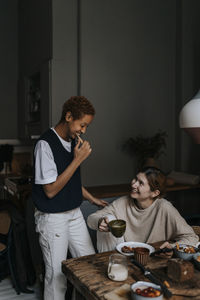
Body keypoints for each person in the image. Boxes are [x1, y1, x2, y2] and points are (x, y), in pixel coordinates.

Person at [32, 96, 108, 300]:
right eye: (82, 125)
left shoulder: (73, 142)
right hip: (52, 217)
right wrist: (78, 159)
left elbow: (69, 180)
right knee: (57, 277)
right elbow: (50, 190)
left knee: (88, 265)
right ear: (68, 116)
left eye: (86, 127)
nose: (83, 131)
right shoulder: (45, 145)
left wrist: (92, 199)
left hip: (73, 213)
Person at [87, 167, 199, 253]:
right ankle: (109, 263)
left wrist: (172, 247)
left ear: (155, 193)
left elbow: (192, 237)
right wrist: (99, 222)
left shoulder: (164, 207)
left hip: (154, 255)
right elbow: (91, 218)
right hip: (124, 254)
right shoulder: (123, 202)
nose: (133, 184)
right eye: (135, 179)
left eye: (140, 183)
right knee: (109, 219)